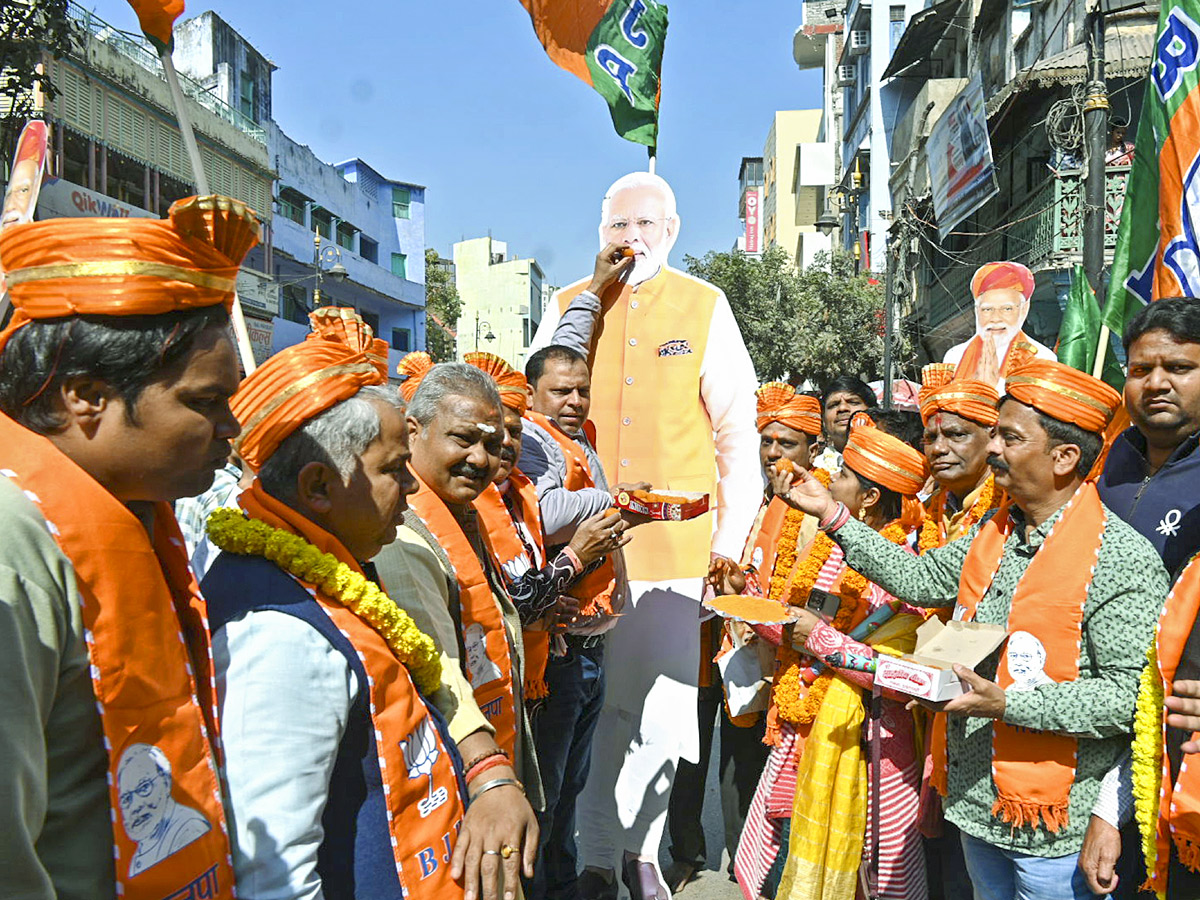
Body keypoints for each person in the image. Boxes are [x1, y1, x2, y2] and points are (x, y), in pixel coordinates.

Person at [775, 358, 1169, 900]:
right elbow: (920, 576)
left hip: (1054, 831)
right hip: (975, 802)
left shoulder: (1121, 557)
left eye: (1009, 437)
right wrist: (832, 515)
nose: (994, 450)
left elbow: (1125, 699)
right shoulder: (998, 529)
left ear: (1064, 456)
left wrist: (1006, 704)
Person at [203, 309, 537, 900]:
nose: (412, 490)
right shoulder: (276, 630)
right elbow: (274, 876)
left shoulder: (331, 573)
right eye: (392, 470)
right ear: (317, 487)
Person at [0, 195, 256, 900]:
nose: (231, 428)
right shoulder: (13, 541)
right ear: (86, 395)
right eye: (205, 403)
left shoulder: (140, 514)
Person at [532, 171, 762, 898]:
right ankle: (599, 854)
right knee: (597, 712)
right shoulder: (568, 305)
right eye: (618, 227)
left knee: (661, 717)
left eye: (644, 227)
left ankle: (644, 853)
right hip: (586, 559)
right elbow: (532, 407)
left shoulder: (704, 305)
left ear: (672, 231)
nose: (631, 240)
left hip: (677, 553)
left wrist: (731, 537)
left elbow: (737, 436)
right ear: (600, 232)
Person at [732, 420, 931, 900]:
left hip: (871, 748)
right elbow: (796, 626)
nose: (830, 477)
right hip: (802, 736)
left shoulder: (911, 566)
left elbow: (903, 676)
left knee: (869, 879)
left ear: (868, 498)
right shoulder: (827, 547)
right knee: (784, 861)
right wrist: (744, 596)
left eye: (842, 473)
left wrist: (821, 641)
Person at [665, 383, 824, 893]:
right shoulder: (736, 489)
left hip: (760, 658)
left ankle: (745, 862)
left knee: (744, 761)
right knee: (688, 752)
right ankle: (687, 854)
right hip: (700, 644)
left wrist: (743, 593)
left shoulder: (812, 504)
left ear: (812, 449)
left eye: (786, 443)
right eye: (766, 442)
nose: (773, 453)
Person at [1080, 297, 1200, 897]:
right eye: (1139, 369)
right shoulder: (1107, 460)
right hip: (1082, 722)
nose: (1156, 383)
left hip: (1167, 740)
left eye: (1178, 368)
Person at [517, 343, 637, 900]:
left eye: (581, 389)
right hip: (558, 648)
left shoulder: (578, 437)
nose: (573, 400)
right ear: (532, 393)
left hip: (588, 642)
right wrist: (616, 503)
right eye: (560, 390)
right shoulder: (531, 440)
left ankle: (561, 883)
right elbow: (546, 515)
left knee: (570, 784)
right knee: (549, 789)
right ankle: (545, 887)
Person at [402, 361, 546, 814]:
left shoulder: (466, 511)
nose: (482, 459)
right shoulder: (402, 534)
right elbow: (439, 674)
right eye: (464, 439)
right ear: (413, 431)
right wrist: (487, 772)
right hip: (455, 780)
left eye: (492, 443)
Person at [917, 363, 1003, 551]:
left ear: (993, 435)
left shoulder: (1012, 507)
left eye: (956, 435)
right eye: (930, 438)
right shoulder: (922, 515)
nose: (938, 448)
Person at [942, 262, 1056, 390]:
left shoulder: (1041, 358)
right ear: (976, 310)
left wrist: (993, 387)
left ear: (1024, 309)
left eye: (1006, 309)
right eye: (987, 309)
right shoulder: (955, 355)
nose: (995, 318)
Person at [813, 374, 878, 472]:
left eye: (853, 402)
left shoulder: (891, 463)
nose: (842, 408)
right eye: (833, 405)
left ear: (873, 412)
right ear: (824, 420)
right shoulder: (813, 470)